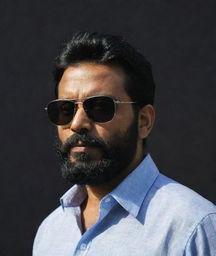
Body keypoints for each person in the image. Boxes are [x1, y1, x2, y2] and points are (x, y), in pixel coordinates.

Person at [33, 32, 216, 256]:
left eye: (100, 107)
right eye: (65, 109)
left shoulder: (193, 227)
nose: (77, 123)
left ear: (143, 121)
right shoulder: (51, 232)